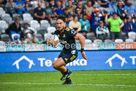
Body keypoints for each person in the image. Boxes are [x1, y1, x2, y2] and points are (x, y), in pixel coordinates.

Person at [46, 15, 87, 84]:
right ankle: (68, 80)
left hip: (72, 52)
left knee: (55, 65)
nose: (59, 25)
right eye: (57, 23)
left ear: (64, 23)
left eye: (60, 23)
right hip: (64, 51)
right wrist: (49, 42)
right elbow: (54, 43)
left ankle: (67, 71)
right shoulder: (56, 33)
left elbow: (82, 38)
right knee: (60, 66)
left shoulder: (69, 31)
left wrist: (82, 51)